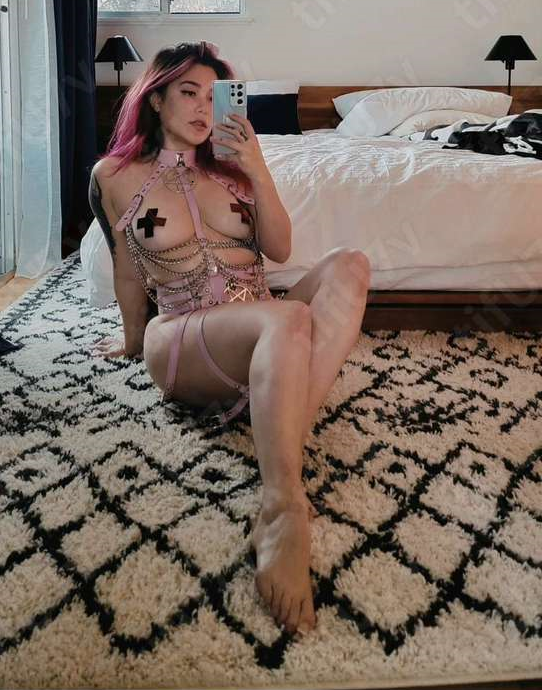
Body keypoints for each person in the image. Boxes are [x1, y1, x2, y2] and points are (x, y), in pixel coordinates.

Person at [88, 40, 371, 637]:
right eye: (188, 92)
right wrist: (131, 340)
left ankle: (278, 419)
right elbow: (125, 268)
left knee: (349, 264)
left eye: (212, 96)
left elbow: (280, 250)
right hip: (181, 337)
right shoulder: (113, 175)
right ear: (156, 98)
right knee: (285, 319)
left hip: (259, 327)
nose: (201, 107)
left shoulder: (235, 172)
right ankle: (282, 505)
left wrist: (257, 166)